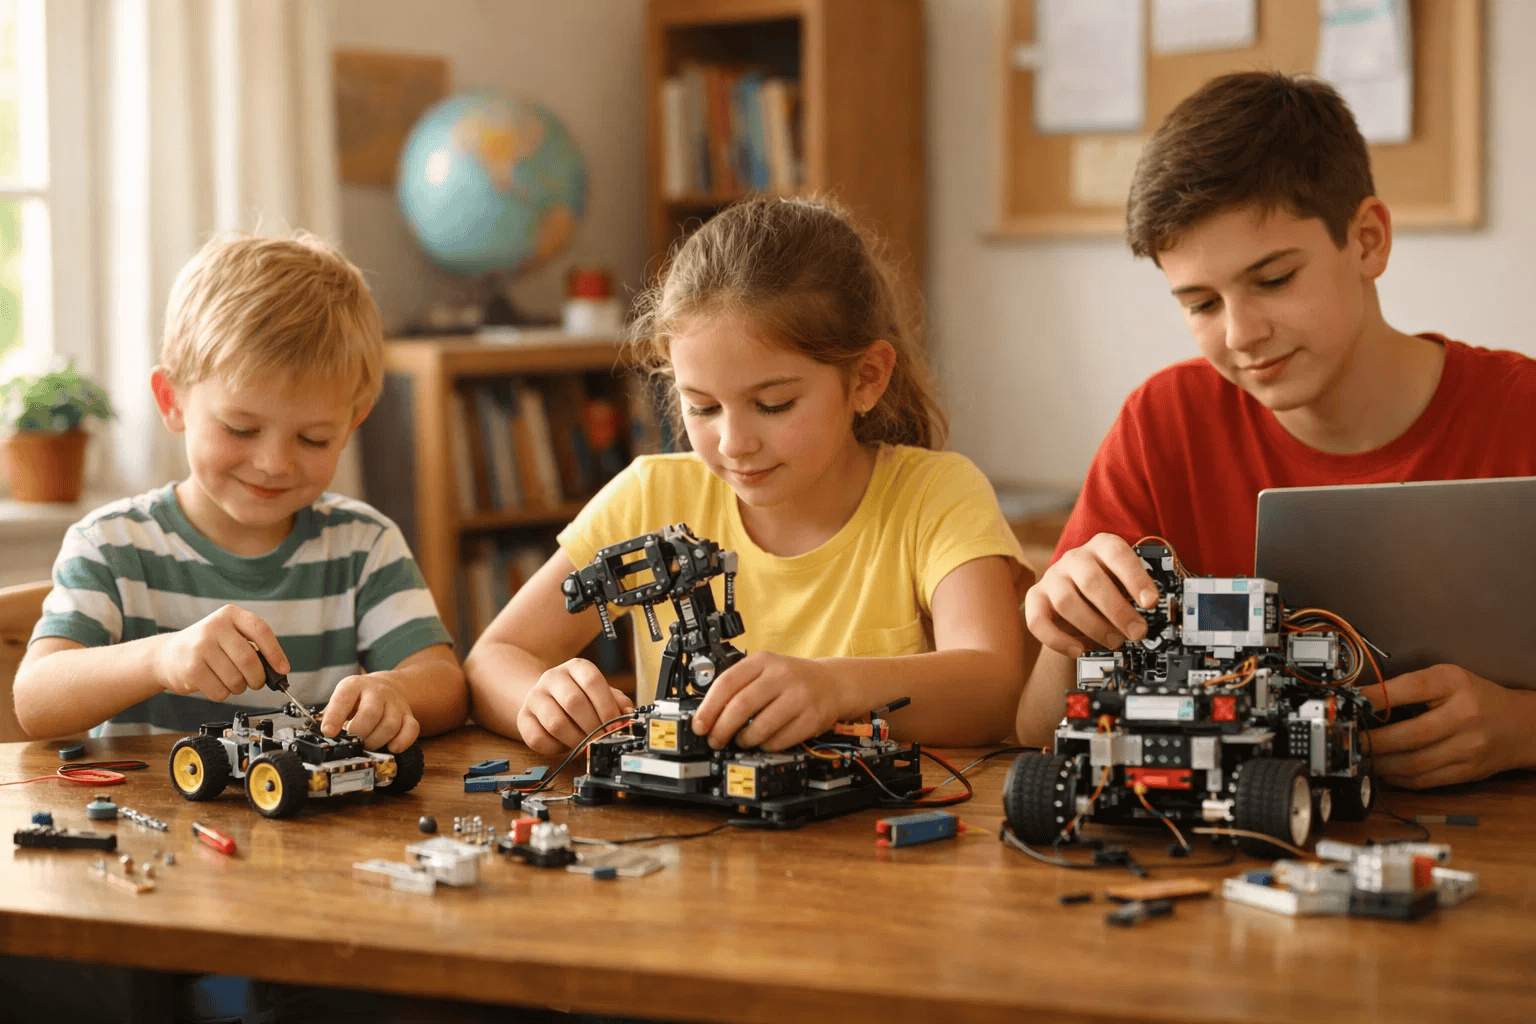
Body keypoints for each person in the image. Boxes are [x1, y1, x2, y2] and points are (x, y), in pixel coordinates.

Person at [1016, 71, 1536, 790]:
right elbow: (1037, 729)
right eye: (1200, 302)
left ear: (1368, 240)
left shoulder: (1521, 410)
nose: (1240, 334)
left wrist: (1523, 729)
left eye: (1273, 280)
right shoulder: (1161, 424)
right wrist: (1066, 632)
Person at [466, 195, 1033, 754]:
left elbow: (994, 686)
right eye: (703, 407)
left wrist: (835, 687)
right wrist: (541, 700)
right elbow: (495, 657)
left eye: (775, 404)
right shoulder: (650, 496)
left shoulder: (936, 494)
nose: (734, 444)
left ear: (866, 379)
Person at [14, 231, 466, 750]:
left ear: (351, 424)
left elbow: (446, 687)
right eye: (240, 429)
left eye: (313, 438)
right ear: (172, 401)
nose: (274, 464)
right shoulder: (111, 544)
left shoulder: (364, 545)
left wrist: (393, 690)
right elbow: (35, 700)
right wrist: (159, 658)